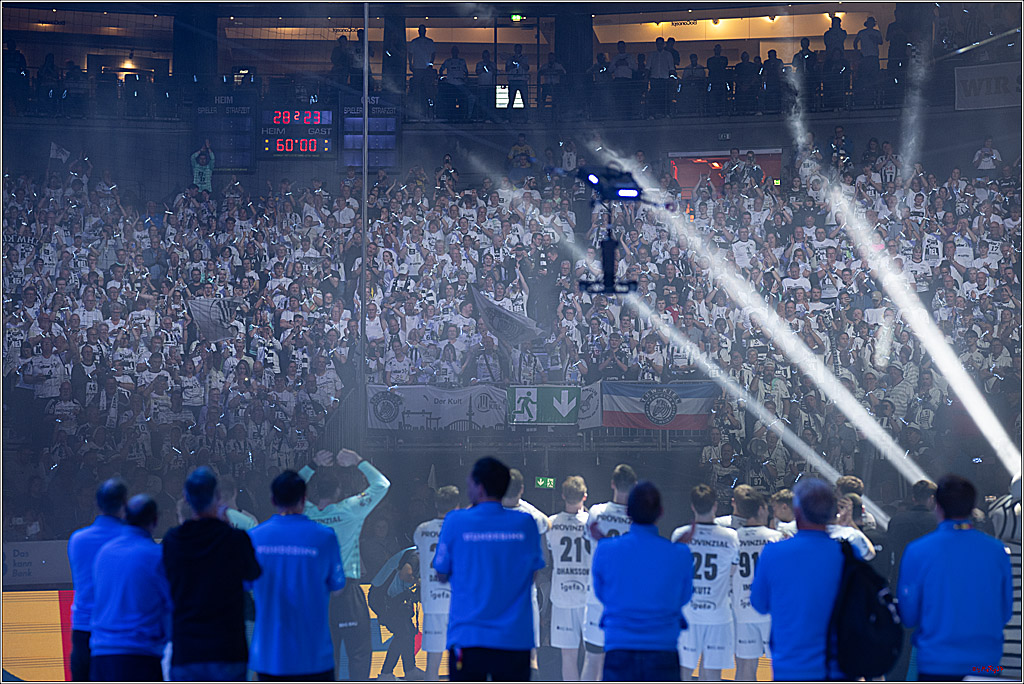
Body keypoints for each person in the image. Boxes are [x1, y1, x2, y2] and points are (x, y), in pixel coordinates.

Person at [433, 456, 545, 681]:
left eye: (470, 482)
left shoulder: (455, 521)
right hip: (514, 638)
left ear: (480, 487)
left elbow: (441, 573)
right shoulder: (526, 523)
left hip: (469, 637)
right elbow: (533, 574)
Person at [898, 474, 1014, 681]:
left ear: (937, 506)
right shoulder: (997, 551)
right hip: (986, 665)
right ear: (973, 506)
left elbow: (908, 615)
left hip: (936, 662)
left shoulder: (917, 551)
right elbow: (1005, 612)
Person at [162, 466, 262, 681]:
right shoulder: (235, 538)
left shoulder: (173, 540)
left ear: (187, 499)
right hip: (228, 647)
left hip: (187, 647)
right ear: (218, 498)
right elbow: (253, 575)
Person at [247, 470, 346, 682]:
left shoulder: (254, 538)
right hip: (314, 655)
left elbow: (245, 584)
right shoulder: (325, 537)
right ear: (304, 499)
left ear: (273, 499)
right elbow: (338, 588)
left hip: (269, 656)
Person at [750, 478, 852, 680]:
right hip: (837, 667)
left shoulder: (773, 553)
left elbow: (759, 604)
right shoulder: (847, 555)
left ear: (797, 512)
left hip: (790, 666)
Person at [303, 447, 390, 681]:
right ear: (339, 491)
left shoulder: (307, 513)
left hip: (318, 595)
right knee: (360, 653)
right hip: (347, 592)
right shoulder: (350, 509)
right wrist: (358, 461)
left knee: (324, 656)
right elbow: (382, 485)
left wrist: (312, 465)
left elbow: (287, 491)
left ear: (315, 491)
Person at [592, 481, 693, 681]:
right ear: (661, 512)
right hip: (663, 649)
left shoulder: (606, 549)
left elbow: (601, 593)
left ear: (628, 512)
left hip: (619, 647)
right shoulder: (680, 554)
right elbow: (683, 597)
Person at [89, 495, 172, 682]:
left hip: (101, 653)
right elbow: (171, 603)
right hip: (139, 654)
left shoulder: (103, 553)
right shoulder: (157, 556)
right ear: (156, 520)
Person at [671, 484, 739, 682]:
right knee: (712, 674)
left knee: (683, 670)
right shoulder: (730, 537)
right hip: (718, 615)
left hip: (688, 613)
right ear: (715, 506)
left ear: (692, 506)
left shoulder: (680, 535)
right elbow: (732, 573)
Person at [580, 463, 637, 681]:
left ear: (612, 484)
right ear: (634, 486)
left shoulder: (596, 512)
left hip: (598, 597)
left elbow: (587, 544)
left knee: (593, 660)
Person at [68, 478, 127, 681]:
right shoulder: (129, 539)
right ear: (124, 504)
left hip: (83, 627)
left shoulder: (77, 539)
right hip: (116, 629)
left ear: (97, 504)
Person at [731, 491, 783, 682]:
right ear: (761, 509)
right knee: (779, 663)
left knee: (745, 665)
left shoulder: (733, 537)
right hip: (771, 610)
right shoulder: (776, 537)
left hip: (742, 608)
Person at [414, 485, 461, 681]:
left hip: (433, 602)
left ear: (435, 504)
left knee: (432, 663)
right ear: (457, 505)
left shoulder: (422, 530)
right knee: (458, 659)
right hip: (458, 603)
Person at [547, 476, 591, 681]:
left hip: (562, 597)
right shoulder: (594, 523)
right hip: (588, 597)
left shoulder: (552, 523)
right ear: (584, 496)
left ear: (563, 495)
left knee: (568, 657)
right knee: (593, 657)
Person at [369, 547, 422, 681]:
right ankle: (385, 674)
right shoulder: (416, 554)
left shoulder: (418, 553)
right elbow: (405, 574)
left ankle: (410, 670)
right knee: (403, 634)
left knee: (408, 631)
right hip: (382, 597)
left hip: (392, 597)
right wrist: (420, 582)